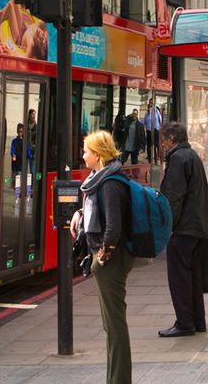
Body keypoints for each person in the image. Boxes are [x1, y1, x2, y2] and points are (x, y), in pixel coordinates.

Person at [71, 131, 134, 384]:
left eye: (86, 151)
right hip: (109, 258)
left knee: (115, 326)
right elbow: (97, 208)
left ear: (97, 155)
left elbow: (114, 228)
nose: (83, 155)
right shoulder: (101, 179)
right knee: (111, 326)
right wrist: (79, 212)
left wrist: (102, 257)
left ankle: (120, 380)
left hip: (111, 260)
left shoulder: (109, 184)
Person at [158, 121, 208, 338]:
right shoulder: (190, 156)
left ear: (171, 139)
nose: (162, 144)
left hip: (185, 228)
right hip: (199, 226)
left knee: (179, 276)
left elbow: (174, 196)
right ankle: (197, 321)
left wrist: (167, 227)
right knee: (193, 276)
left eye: (164, 140)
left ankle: (184, 322)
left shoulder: (178, 158)